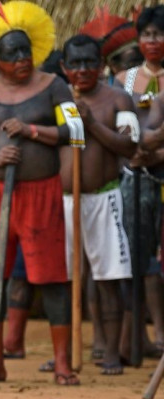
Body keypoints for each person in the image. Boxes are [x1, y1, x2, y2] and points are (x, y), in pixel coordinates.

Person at [0, 1, 84, 385]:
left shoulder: (54, 86)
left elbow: (74, 132)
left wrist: (32, 131)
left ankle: (62, 363)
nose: (22, 59)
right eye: (12, 53)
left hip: (42, 195)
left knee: (52, 277)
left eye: (26, 50)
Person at [58, 35, 137, 374]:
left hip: (105, 197)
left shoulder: (118, 99)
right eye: (74, 64)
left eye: (90, 62)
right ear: (64, 68)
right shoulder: (56, 99)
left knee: (107, 277)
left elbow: (129, 147)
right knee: (74, 276)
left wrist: (90, 122)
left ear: (102, 65)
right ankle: (82, 346)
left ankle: (111, 351)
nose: (83, 70)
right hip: (64, 201)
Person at [115, 5, 164, 359]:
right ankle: (141, 335)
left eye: (160, 34)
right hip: (133, 176)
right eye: (147, 34)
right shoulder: (123, 80)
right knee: (138, 256)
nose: (154, 41)